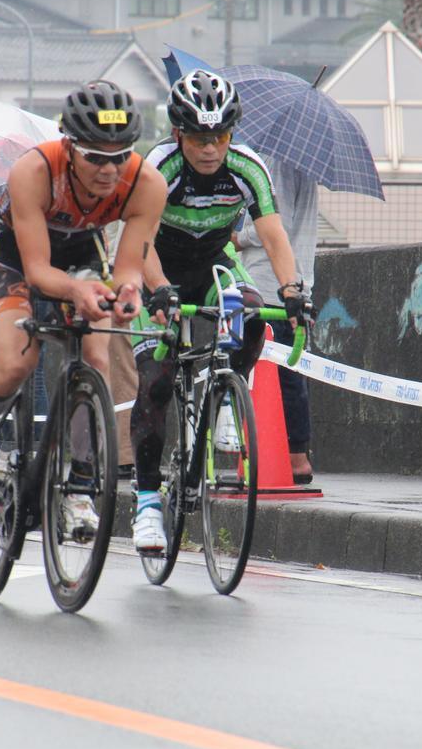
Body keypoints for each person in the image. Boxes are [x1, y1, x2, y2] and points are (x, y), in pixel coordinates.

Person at [0, 80, 165, 542]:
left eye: (120, 155)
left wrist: (127, 293)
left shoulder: (147, 183)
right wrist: (76, 291)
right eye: (95, 156)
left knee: (96, 356)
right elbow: (36, 269)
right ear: (69, 146)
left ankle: (80, 487)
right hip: (15, 251)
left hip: (82, 250)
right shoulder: (34, 171)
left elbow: (129, 268)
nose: (109, 170)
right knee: (18, 358)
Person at [128, 69, 310, 554]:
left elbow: (273, 236)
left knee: (253, 316)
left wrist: (292, 291)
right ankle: (147, 504)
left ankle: (228, 394)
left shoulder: (248, 168)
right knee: (158, 381)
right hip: (155, 268)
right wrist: (161, 289)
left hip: (211, 265)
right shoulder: (159, 168)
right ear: (178, 134)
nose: (211, 148)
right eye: (200, 138)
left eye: (221, 137)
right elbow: (139, 241)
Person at [237, 155, 318, 483]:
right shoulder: (302, 165)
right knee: (290, 370)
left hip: (272, 283)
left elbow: (269, 224)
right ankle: (294, 455)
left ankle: (294, 458)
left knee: (280, 372)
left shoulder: (278, 164)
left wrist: (236, 238)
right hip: (295, 278)